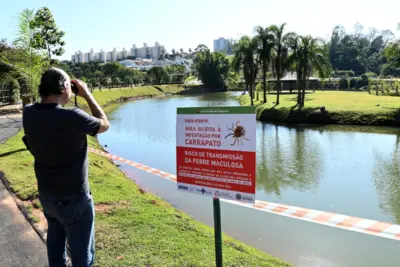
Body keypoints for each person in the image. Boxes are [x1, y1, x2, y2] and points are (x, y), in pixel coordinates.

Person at [22, 67, 110, 267]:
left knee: (56, 249)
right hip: (75, 199)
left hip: (47, 196)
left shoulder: (29, 113)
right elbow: (104, 124)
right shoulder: (73, 117)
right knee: (82, 259)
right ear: (63, 87)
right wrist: (86, 94)